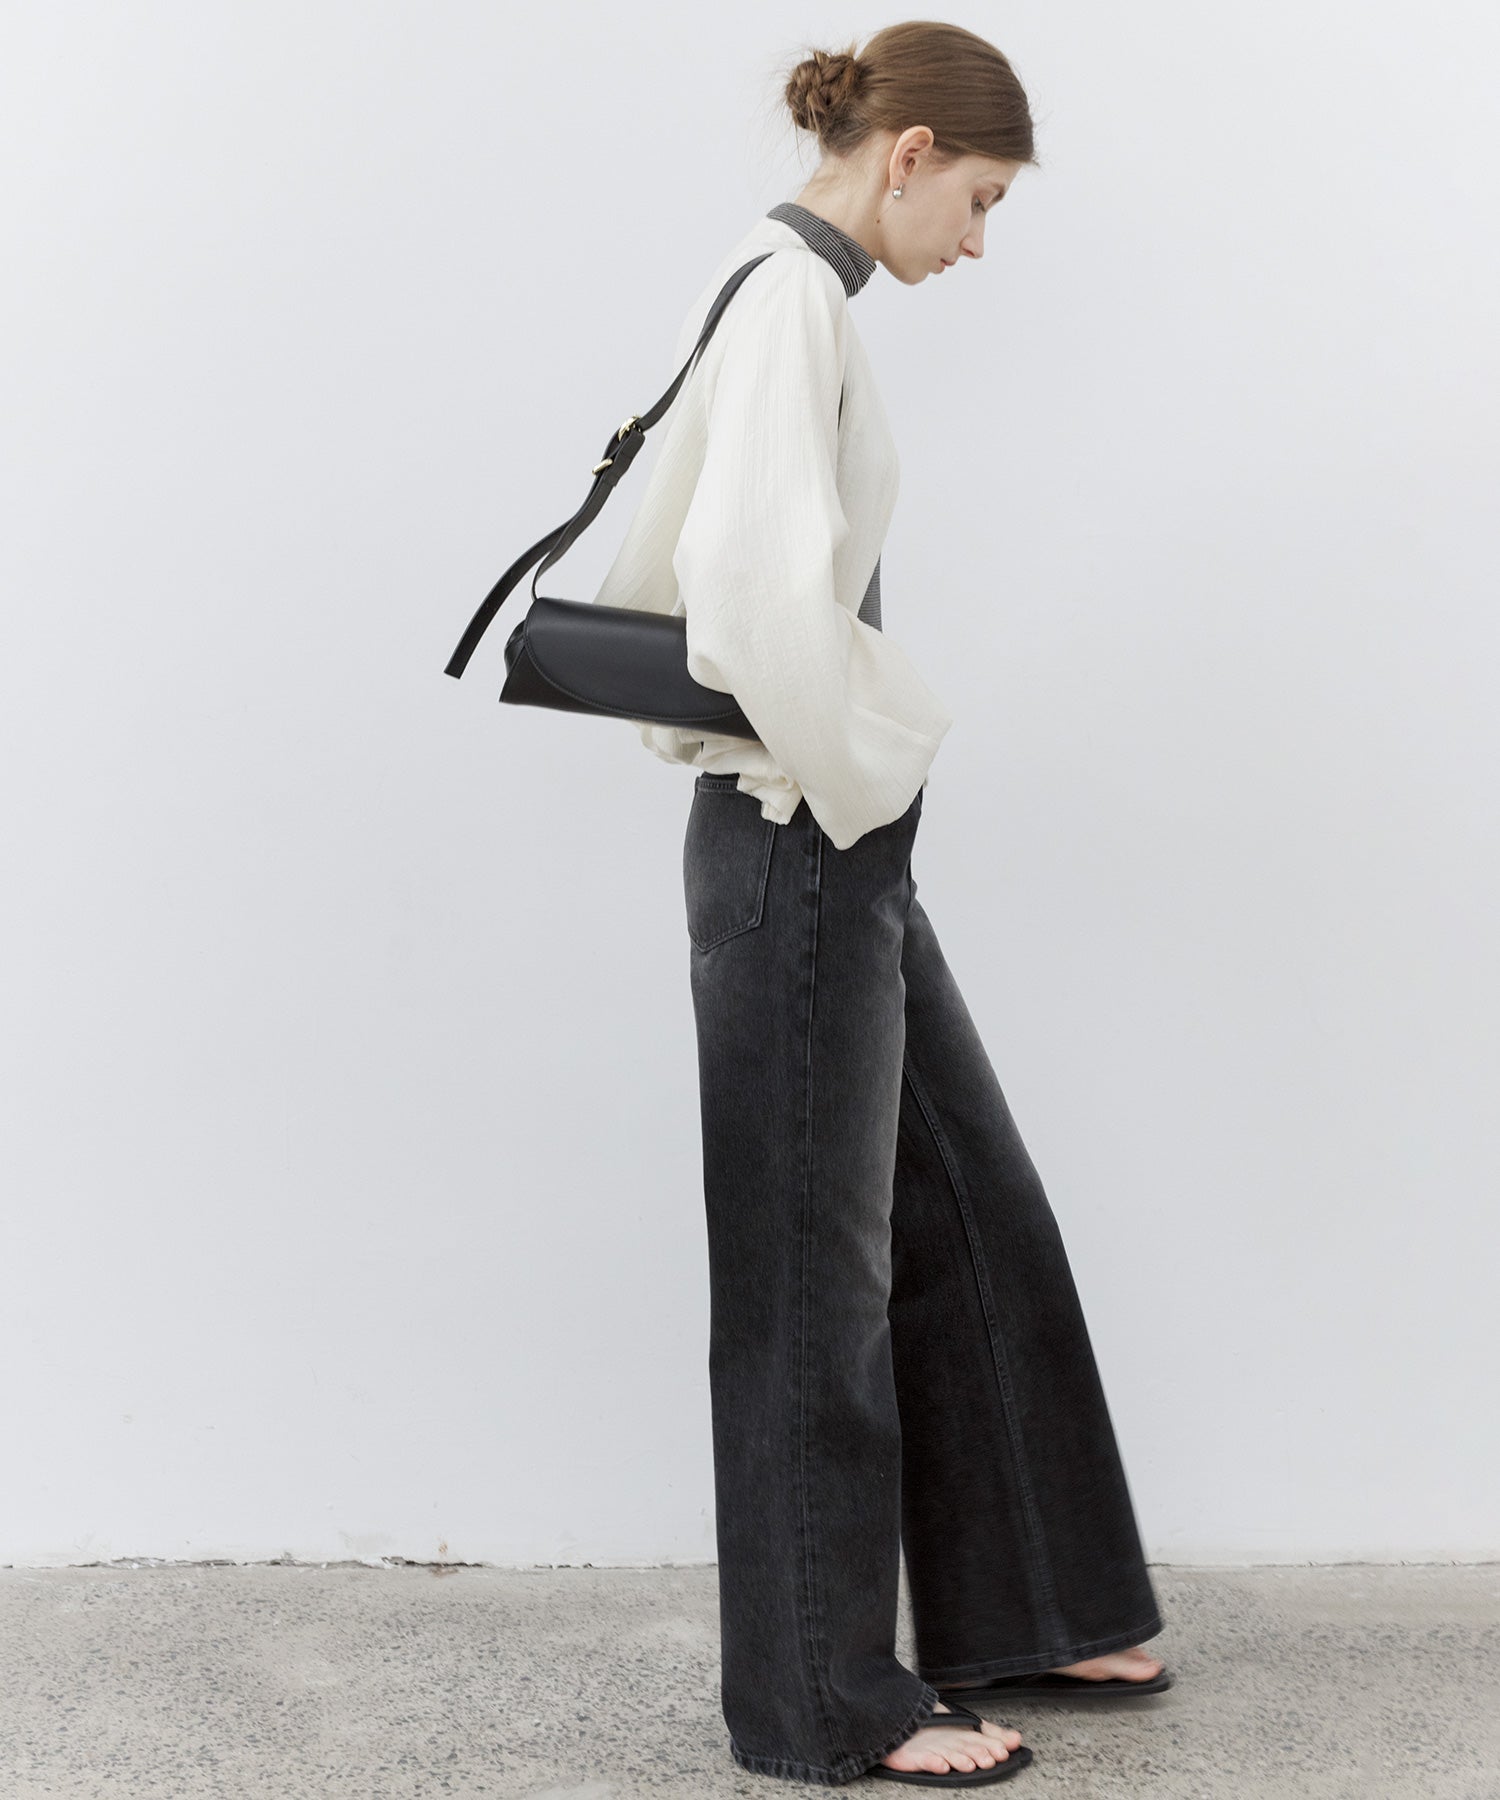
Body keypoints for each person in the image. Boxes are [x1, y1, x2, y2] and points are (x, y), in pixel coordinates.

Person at [592, 21, 1170, 1788]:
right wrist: (879, 769)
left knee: (970, 1207)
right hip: (799, 834)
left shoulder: (804, 295)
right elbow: (751, 601)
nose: (979, 243)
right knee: (811, 1278)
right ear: (908, 152)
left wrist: (870, 806)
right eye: (979, 200)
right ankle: (823, 1698)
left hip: (829, 843)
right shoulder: (789, 298)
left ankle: (1039, 1602)